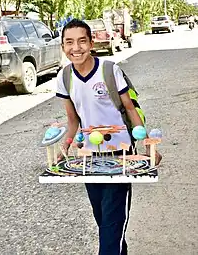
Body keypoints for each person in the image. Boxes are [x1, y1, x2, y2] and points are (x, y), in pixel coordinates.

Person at [56, 19, 162, 255]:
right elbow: (73, 120)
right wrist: (64, 149)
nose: (76, 48)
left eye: (82, 41)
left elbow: (130, 108)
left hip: (121, 155)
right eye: (69, 42)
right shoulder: (64, 77)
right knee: (104, 221)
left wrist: (146, 145)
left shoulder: (108, 70)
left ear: (91, 43)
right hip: (89, 160)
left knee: (112, 226)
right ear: (63, 47)